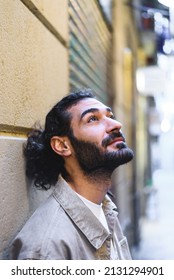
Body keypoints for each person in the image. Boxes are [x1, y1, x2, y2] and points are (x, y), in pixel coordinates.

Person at [10, 88, 134, 260]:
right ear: (62, 146)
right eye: (92, 119)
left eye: (110, 116)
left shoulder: (105, 209)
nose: (116, 124)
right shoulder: (46, 248)